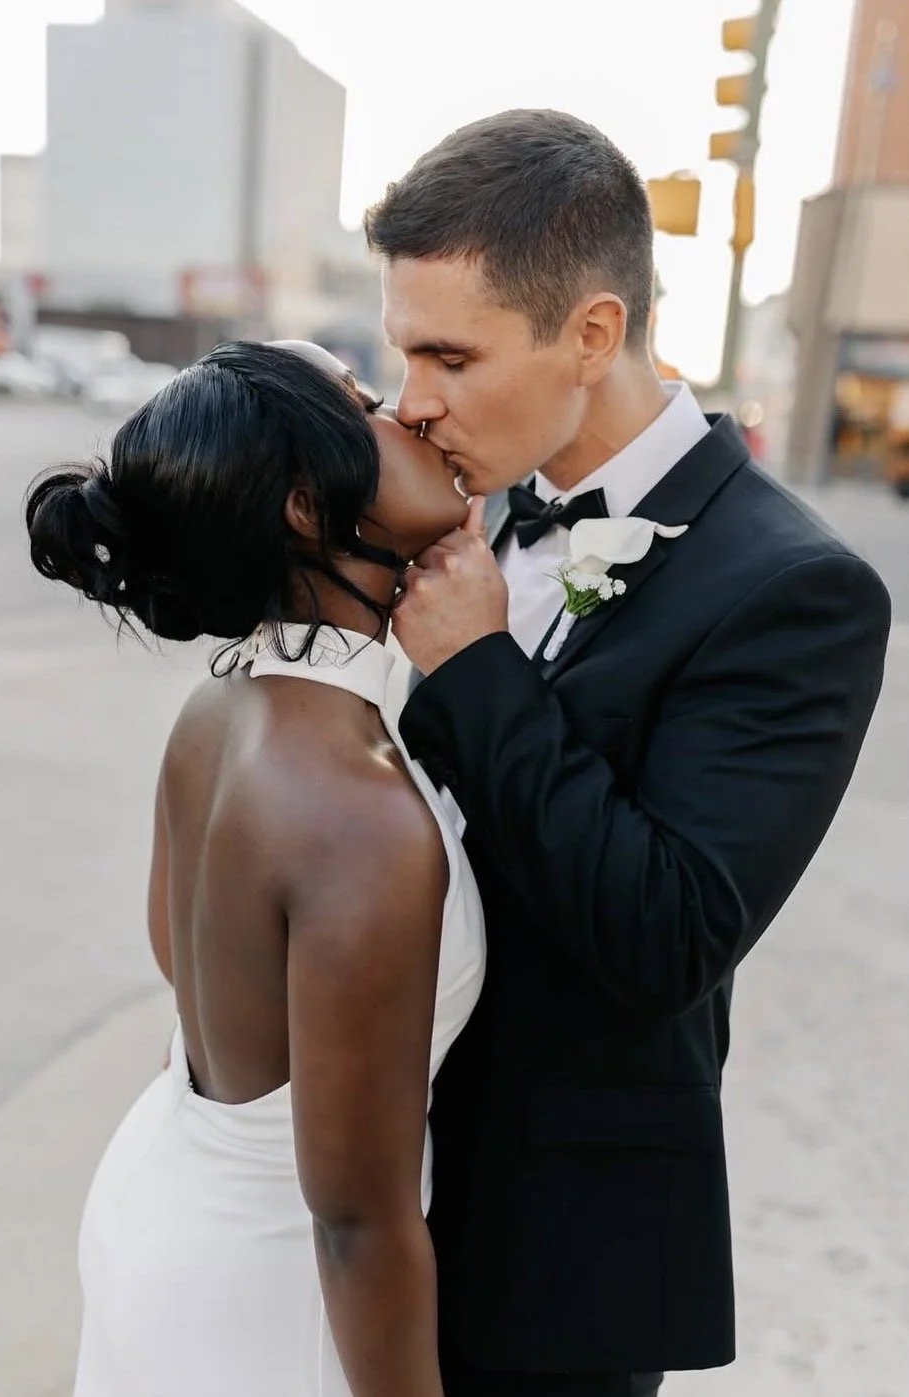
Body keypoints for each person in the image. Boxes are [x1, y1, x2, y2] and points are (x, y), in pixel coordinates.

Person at [363, 109, 892, 1397]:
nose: (411, 399)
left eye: (449, 354)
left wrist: (480, 670)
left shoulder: (798, 593)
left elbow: (668, 930)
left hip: (554, 1253)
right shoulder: (461, 505)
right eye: (402, 352)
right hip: (364, 1196)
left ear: (592, 333)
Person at [24, 339, 485, 1397]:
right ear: (304, 508)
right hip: (268, 1296)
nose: (409, 416)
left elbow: (197, 986)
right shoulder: (354, 812)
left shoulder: (216, 710)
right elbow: (359, 1223)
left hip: (165, 1198)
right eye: (365, 403)